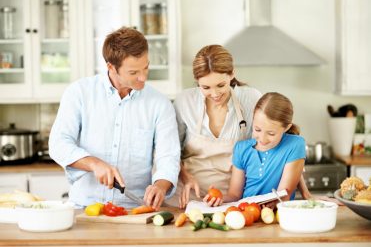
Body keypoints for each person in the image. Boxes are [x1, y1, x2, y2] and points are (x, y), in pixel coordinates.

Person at [49, 27, 180, 210]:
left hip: (133, 210)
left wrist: (160, 185)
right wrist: (94, 164)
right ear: (111, 67)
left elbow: (169, 156)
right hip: (84, 207)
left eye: (146, 67)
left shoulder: (160, 104)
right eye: (133, 72)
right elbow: (58, 144)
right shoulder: (79, 93)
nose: (143, 77)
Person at [164, 45, 262, 208]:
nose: (215, 94)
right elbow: (170, 150)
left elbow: (262, 149)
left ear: (232, 74)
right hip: (186, 200)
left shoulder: (252, 99)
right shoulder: (185, 101)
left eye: (221, 85)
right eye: (206, 87)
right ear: (197, 82)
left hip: (231, 201)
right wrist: (185, 176)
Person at [204, 92, 305, 207]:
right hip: (247, 215)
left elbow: (283, 196)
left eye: (271, 133)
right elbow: (235, 195)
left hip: (276, 216)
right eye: (257, 129)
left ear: (286, 127)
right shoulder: (241, 149)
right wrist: (218, 199)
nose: (262, 139)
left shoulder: (295, 144)